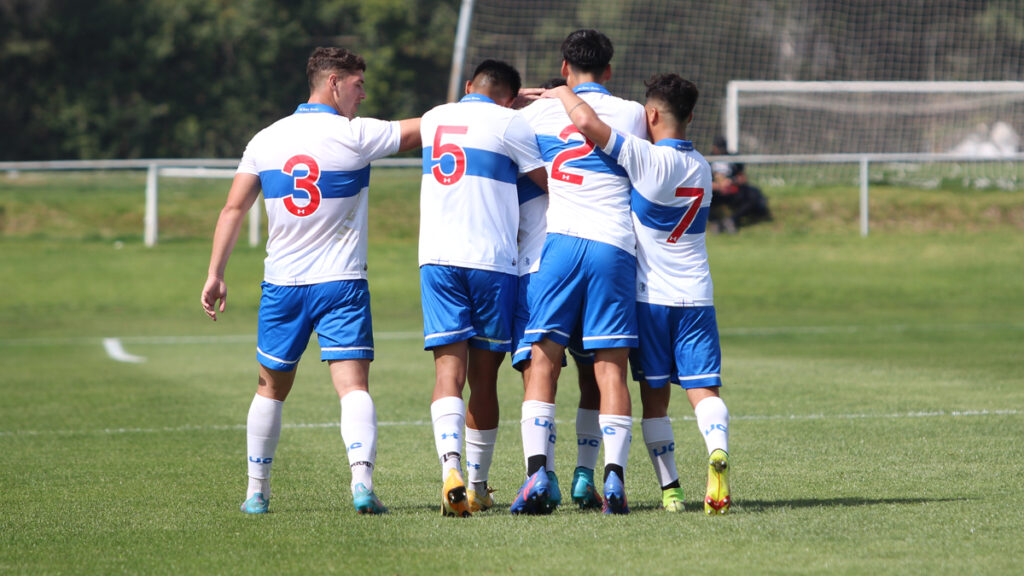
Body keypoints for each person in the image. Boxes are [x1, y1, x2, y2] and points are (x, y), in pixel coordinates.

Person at [200, 47, 421, 516]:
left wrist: (216, 273)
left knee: (270, 389)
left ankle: (256, 493)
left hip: (283, 286)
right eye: (358, 84)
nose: (363, 95)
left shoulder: (266, 138)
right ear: (334, 82)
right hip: (341, 284)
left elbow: (233, 208)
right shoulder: (357, 134)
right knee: (353, 387)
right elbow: (427, 127)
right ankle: (362, 485)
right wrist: (487, 106)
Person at [543, 73, 732, 514]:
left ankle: (671, 492)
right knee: (704, 390)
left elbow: (589, 124)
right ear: (691, 116)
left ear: (650, 115)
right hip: (698, 296)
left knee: (655, 400)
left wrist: (561, 91)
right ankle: (717, 452)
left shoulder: (646, 158)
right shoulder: (702, 167)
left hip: (651, 298)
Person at [512, 29, 648, 515]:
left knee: (543, 360)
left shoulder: (533, 115)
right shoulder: (633, 112)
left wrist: (520, 100)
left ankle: (536, 476)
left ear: (563, 68)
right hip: (614, 245)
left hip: (560, 245)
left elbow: (496, 135)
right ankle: (611, 479)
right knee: (609, 370)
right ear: (609, 70)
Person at [418, 59, 547, 517]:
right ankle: (477, 485)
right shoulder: (511, 121)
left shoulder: (435, 117)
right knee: (484, 379)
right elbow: (547, 179)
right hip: (492, 264)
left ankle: (449, 466)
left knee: (446, 374)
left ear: (469, 85)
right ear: (510, 98)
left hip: (436, 261)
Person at [511, 77, 603, 512]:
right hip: (595, 257)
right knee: (595, 376)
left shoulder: (518, 125)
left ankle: (538, 473)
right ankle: (585, 474)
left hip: (537, 270)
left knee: (539, 372)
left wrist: (514, 100)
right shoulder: (602, 125)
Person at [709, 135, 771, 233]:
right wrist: (718, 185)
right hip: (715, 192)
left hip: (733, 191)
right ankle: (715, 222)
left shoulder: (733, 158)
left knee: (753, 195)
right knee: (699, 196)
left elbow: (743, 178)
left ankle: (732, 220)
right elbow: (701, 183)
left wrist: (731, 182)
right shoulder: (708, 160)